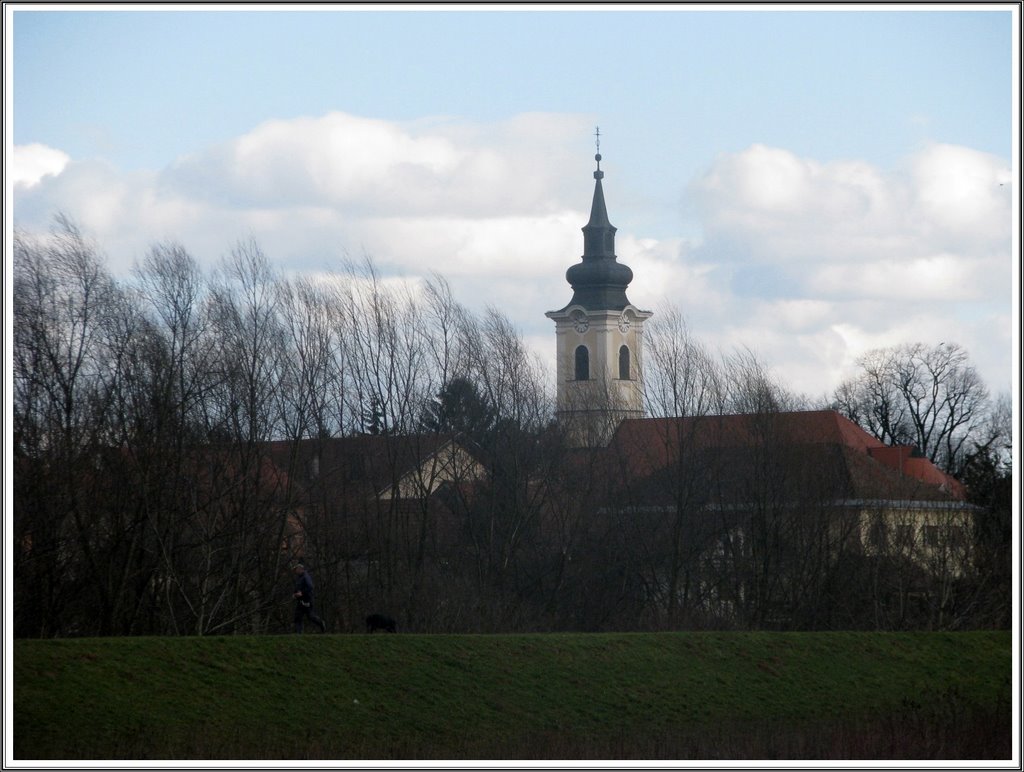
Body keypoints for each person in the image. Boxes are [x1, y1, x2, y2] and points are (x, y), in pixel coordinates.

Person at [292, 563, 327, 633]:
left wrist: (302, 593)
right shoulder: (299, 577)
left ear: (300, 569)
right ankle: (299, 633)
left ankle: (321, 623)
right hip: (300, 600)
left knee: (311, 616)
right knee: (297, 616)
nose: (295, 571)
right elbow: (298, 588)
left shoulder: (306, 576)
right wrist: (295, 594)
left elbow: (310, 587)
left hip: (307, 600)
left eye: (296, 569)